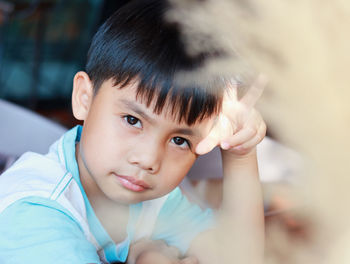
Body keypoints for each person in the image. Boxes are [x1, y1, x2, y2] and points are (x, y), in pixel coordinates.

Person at [0, 0, 266, 263]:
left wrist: (240, 153)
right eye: (132, 120)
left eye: (179, 140)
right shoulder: (36, 212)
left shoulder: (153, 201)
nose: (149, 159)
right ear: (84, 98)